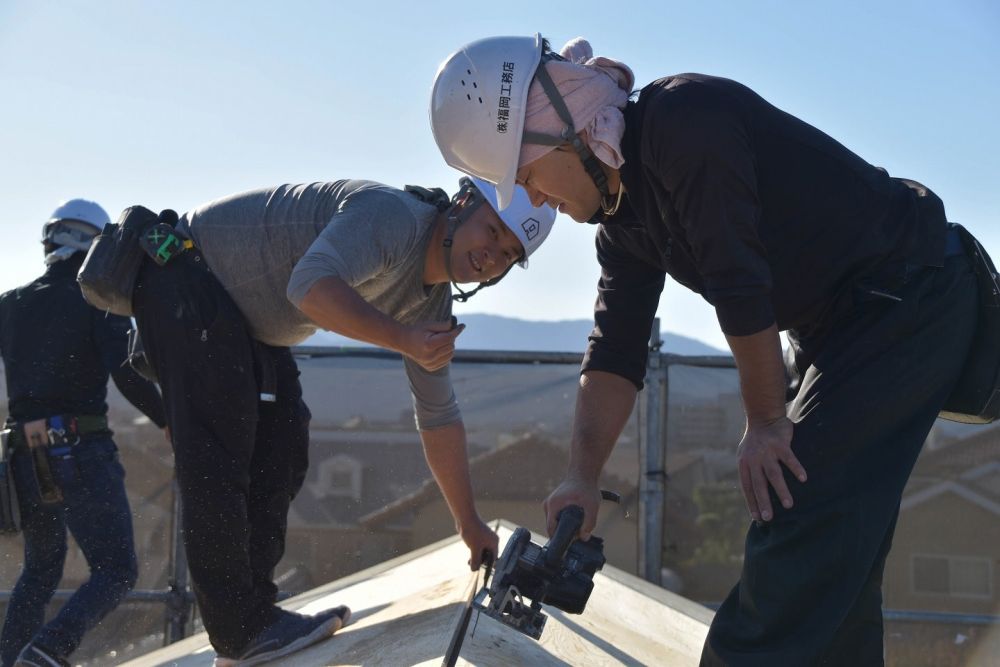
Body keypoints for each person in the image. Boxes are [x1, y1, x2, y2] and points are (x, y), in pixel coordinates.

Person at [429, 35, 982, 665]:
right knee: (834, 566)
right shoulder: (622, 220)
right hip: (851, 326)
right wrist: (582, 475)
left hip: (910, 295)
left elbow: (741, 285)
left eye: (527, 176)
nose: (533, 199)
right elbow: (614, 350)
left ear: (566, 128)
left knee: (797, 525)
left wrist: (768, 422)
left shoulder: (683, 124)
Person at [128, 177, 554, 666]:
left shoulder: (431, 303)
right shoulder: (394, 219)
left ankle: (253, 619)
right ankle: (238, 631)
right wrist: (404, 338)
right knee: (220, 454)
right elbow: (309, 286)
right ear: (463, 204)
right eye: (492, 230)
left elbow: (437, 416)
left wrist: (468, 522)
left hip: (244, 321)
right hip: (183, 272)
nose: (492, 254)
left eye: (508, 253)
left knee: (283, 445)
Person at [0, 199, 168, 667]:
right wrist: (168, 420)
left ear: (49, 239)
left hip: (26, 454)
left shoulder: (10, 304)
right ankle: (47, 651)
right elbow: (128, 372)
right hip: (77, 450)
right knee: (115, 570)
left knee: (40, 569)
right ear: (98, 244)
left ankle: (12, 658)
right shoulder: (97, 297)